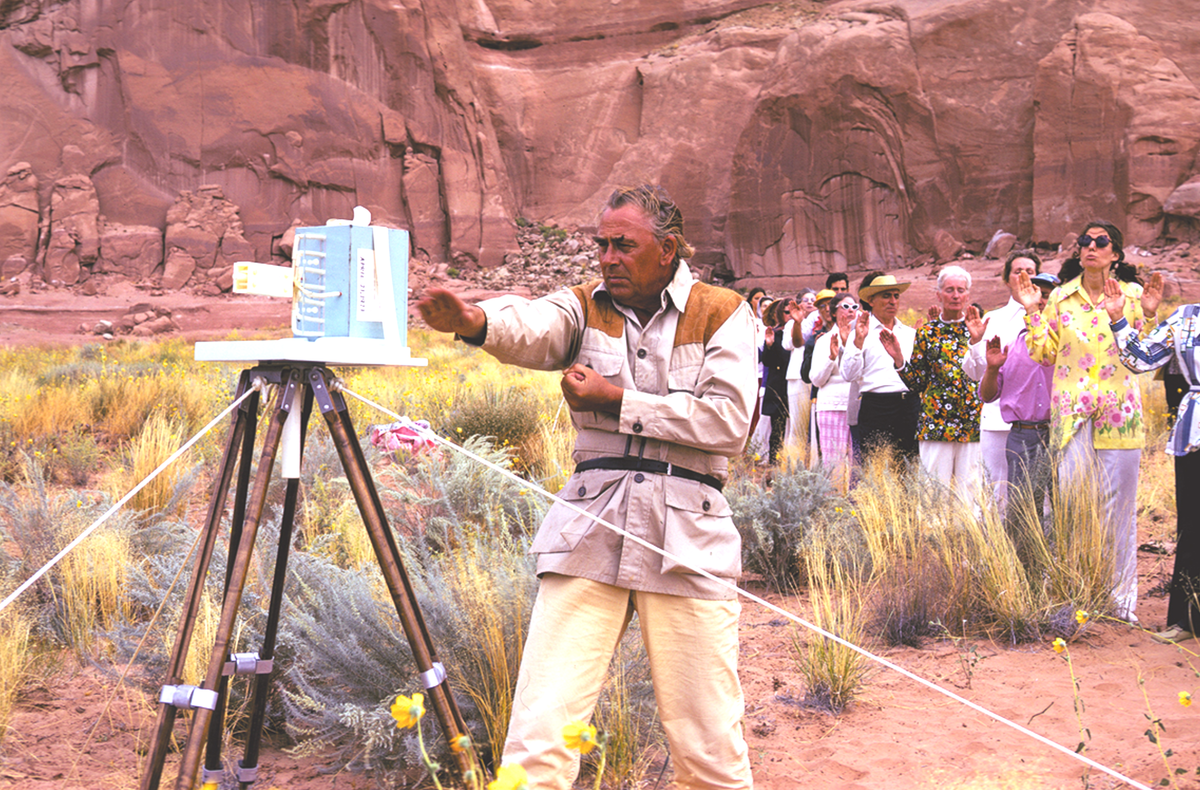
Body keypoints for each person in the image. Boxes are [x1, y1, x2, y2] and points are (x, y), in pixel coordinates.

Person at [416, 184, 755, 788]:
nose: (607, 257)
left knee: (708, 743)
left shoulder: (722, 310)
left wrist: (618, 401)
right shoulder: (581, 305)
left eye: (623, 244)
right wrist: (475, 322)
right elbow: (534, 323)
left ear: (668, 248)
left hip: (689, 533)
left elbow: (728, 423)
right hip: (589, 528)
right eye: (601, 244)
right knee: (539, 736)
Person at [1016, 220, 1160, 623]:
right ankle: (1076, 595)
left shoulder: (1133, 297)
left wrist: (1145, 317)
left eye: (1101, 242)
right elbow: (1044, 353)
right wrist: (1032, 311)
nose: (1091, 247)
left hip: (1121, 414)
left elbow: (1144, 355)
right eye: (1085, 241)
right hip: (1072, 416)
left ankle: (1120, 601)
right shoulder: (1060, 298)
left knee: (1120, 510)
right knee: (1073, 507)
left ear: (1116, 253)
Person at [1105, 275, 1197, 643]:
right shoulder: (1187, 318)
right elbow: (1140, 359)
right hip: (1196, 431)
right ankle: (1187, 621)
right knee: (1194, 525)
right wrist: (1118, 319)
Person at [978, 272, 1060, 561]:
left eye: (1048, 296)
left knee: (1065, 505)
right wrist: (990, 368)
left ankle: (1064, 573)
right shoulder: (1012, 346)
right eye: (1037, 294)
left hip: (1061, 434)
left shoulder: (1069, 345)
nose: (1040, 301)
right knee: (1024, 509)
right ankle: (1029, 577)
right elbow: (988, 396)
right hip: (1023, 434)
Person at [890, 265, 987, 501]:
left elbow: (987, 373)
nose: (955, 295)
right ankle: (933, 537)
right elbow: (917, 383)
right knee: (933, 491)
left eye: (961, 290)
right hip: (936, 422)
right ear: (939, 295)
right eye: (949, 290)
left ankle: (969, 536)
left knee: (971, 491)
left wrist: (977, 341)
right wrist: (899, 360)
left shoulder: (979, 329)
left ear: (967, 295)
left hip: (972, 419)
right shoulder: (926, 333)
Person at [980, 251, 1043, 514]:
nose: (1025, 276)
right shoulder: (993, 320)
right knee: (999, 490)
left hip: (1041, 421)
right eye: (1018, 271)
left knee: (1041, 495)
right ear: (1007, 279)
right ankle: (998, 551)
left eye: (1030, 270)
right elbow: (978, 373)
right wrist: (975, 345)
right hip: (1000, 418)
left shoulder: (1051, 318)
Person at [841, 273, 918, 460]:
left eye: (896, 296)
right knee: (876, 471)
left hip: (908, 406)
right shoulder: (859, 333)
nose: (892, 301)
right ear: (871, 300)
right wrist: (858, 341)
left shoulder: (910, 334)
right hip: (876, 406)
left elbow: (918, 376)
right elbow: (849, 375)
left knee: (908, 469)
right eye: (886, 296)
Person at [809, 292, 858, 489]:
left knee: (858, 464)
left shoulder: (864, 339)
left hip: (858, 407)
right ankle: (833, 508)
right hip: (831, 407)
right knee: (833, 465)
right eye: (845, 307)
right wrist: (831, 357)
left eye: (854, 307)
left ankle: (858, 509)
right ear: (834, 312)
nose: (850, 312)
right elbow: (816, 379)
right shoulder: (824, 341)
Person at [761, 298, 795, 464]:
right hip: (779, 386)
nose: (790, 316)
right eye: (787, 312)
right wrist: (769, 345)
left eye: (793, 311)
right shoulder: (776, 333)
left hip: (796, 385)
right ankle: (775, 464)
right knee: (778, 428)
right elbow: (767, 362)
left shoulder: (803, 333)